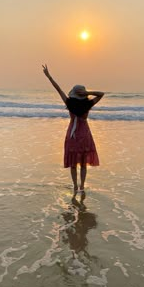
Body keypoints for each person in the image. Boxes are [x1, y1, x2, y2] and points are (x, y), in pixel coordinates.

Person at [42, 64, 104, 194]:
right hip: (85, 134)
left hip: (72, 134)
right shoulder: (88, 104)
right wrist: (88, 93)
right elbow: (101, 94)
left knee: (73, 163)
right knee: (83, 163)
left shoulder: (69, 103)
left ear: (74, 94)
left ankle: (75, 186)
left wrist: (49, 76)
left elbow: (58, 89)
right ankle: (82, 186)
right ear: (82, 94)